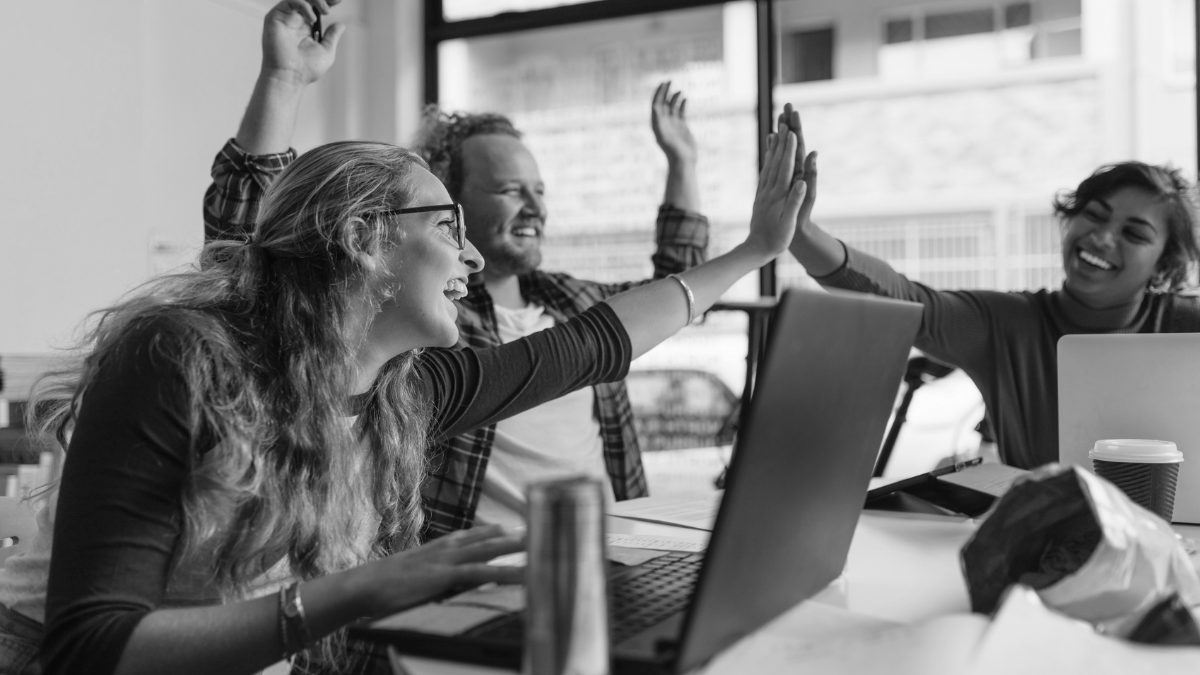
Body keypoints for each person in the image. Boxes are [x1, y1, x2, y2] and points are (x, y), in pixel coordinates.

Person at [0, 83, 807, 675]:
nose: (473, 256)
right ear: (363, 237)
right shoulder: (179, 359)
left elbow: (594, 342)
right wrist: (358, 590)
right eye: (449, 226)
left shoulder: (403, 391)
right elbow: (89, 647)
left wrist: (757, 251)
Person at [203, 0, 709, 538]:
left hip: (601, 554)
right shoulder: (420, 320)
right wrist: (282, 81)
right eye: (510, 190)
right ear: (452, 198)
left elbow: (677, 289)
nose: (535, 207)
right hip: (475, 570)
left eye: (539, 190)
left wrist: (684, 164)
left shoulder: (570, 301)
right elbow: (258, 246)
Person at [780, 103, 1200, 470]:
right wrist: (801, 234)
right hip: (1045, 534)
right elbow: (904, 299)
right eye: (1094, 214)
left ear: (1164, 264)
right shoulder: (1007, 324)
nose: (1103, 238)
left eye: (1134, 234)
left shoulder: (1188, 325)